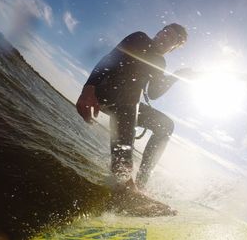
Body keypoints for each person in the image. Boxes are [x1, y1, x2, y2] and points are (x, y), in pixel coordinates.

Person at [76, 23, 191, 194]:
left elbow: (153, 93)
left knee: (166, 126)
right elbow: (110, 58)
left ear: (173, 47)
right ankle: (124, 175)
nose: (164, 36)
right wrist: (89, 87)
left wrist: (176, 77)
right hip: (104, 90)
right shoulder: (140, 38)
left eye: (171, 37)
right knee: (132, 91)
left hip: (127, 105)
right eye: (164, 32)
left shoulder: (160, 62)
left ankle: (140, 185)